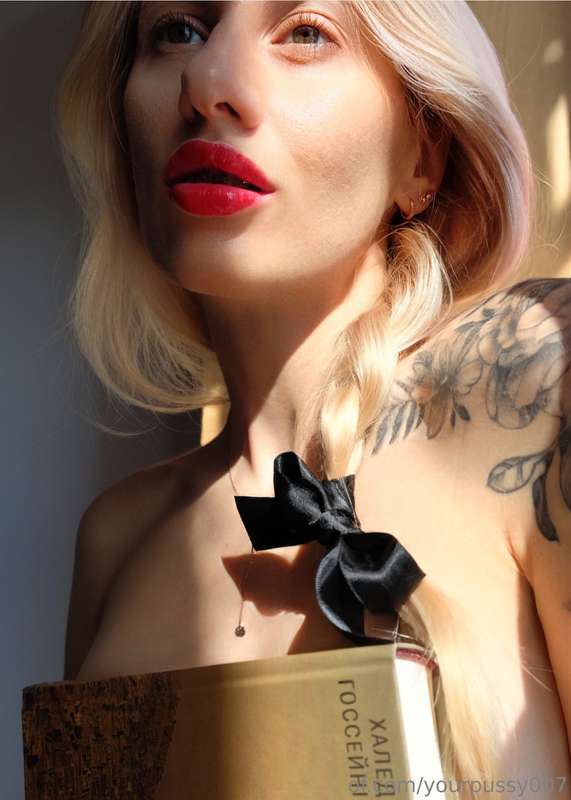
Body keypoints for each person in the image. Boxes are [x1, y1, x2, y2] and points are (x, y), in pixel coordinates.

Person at [55, 1, 571, 795]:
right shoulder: (115, 537)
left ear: (425, 153)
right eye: (177, 30)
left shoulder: (531, 374)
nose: (207, 81)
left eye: (304, 32)